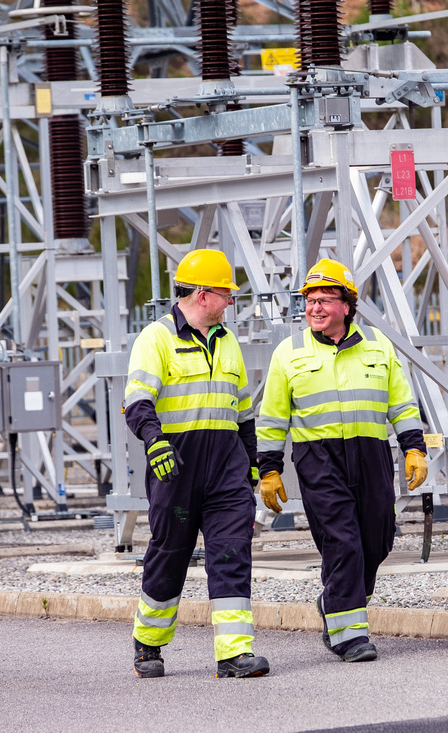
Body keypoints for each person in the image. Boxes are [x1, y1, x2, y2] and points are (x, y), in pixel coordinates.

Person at [256, 258, 429, 662]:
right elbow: (272, 417)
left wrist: (414, 448)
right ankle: (349, 636)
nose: (315, 308)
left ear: (347, 305)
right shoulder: (289, 353)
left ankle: (336, 597)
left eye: (324, 300)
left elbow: (401, 404)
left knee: (377, 539)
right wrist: (269, 469)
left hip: (371, 455)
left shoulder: (377, 345)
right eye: (310, 301)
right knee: (343, 543)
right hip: (319, 458)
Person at [124, 248, 269, 679]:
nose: (230, 303)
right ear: (203, 296)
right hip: (177, 471)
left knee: (231, 554)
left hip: (225, 472)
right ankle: (148, 645)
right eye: (226, 295)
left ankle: (234, 653)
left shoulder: (228, 343)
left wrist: (253, 467)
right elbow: (137, 401)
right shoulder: (156, 338)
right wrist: (155, 442)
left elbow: (243, 413)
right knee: (169, 555)